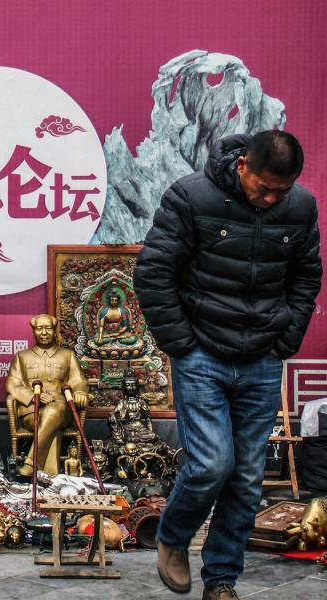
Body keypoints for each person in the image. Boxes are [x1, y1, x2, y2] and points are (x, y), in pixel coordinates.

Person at [134, 130, 321, 600]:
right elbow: (154, 272)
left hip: (262, 357)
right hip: (202, 354)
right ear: (243, 167)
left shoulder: (300, 207)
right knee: (212, 464)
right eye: (265, 188)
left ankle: (221, 580)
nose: (273, 198)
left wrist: (288, 335)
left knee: (246, 476)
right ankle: (173, 538)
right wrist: (181, 343)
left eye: (282, 190)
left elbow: (306, 275)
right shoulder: (190, 196)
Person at [5, 313, 88, 477]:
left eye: (48, 328)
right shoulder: (23, 357)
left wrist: (79, 392)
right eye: (39, 329)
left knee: (53, 412)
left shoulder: (67, 355)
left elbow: (79, 381)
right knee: (51, 421)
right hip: (32, 412)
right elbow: (12, 384)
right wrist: (34, 396)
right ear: (34, 331)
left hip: (62, 410)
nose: (44, 332)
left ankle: (31, 465)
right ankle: (51, 477)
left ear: (54, 331)